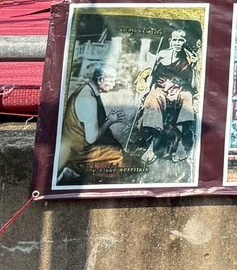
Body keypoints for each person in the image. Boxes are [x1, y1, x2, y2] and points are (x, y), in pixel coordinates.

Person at [138, 28, 199, 163]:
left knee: (187, 99)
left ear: (184, 42)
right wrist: (145, 90)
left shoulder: (189, 57)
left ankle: (180, 145)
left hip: (181, 89)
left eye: (180, 40)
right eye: (175, 40)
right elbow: (150, 75)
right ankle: (153, 145)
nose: (177, 43)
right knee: (153, 98)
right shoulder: (162, 54)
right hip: (162, 88)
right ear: (171, 41)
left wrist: (194, 66)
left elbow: (194, 85)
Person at [58, 65, 125, 177]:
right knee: (118, 156)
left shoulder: (87, 89)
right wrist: (110, 121)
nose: (114, 84)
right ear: (101, 80)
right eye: (112, 81)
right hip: (78, 151)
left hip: (74, 144)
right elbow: (91, 139)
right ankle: (73, 170)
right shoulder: (88, 99)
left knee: (115, 146)